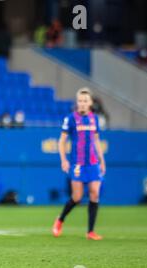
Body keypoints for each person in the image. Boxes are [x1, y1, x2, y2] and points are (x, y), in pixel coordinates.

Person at [52, 88, 106, 240]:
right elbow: (62, 141)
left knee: (95, 193)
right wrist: (63, 159)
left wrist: (102, 161)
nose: (82, 103)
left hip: (93, 163)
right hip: (78, 164)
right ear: (77, 103)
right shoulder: (70, 119)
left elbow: (96, 141)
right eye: (80, 101)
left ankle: (90, 231)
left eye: (85, 101)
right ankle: (60, 219)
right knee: (77, 197)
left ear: (90, 103)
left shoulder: (94, 119)